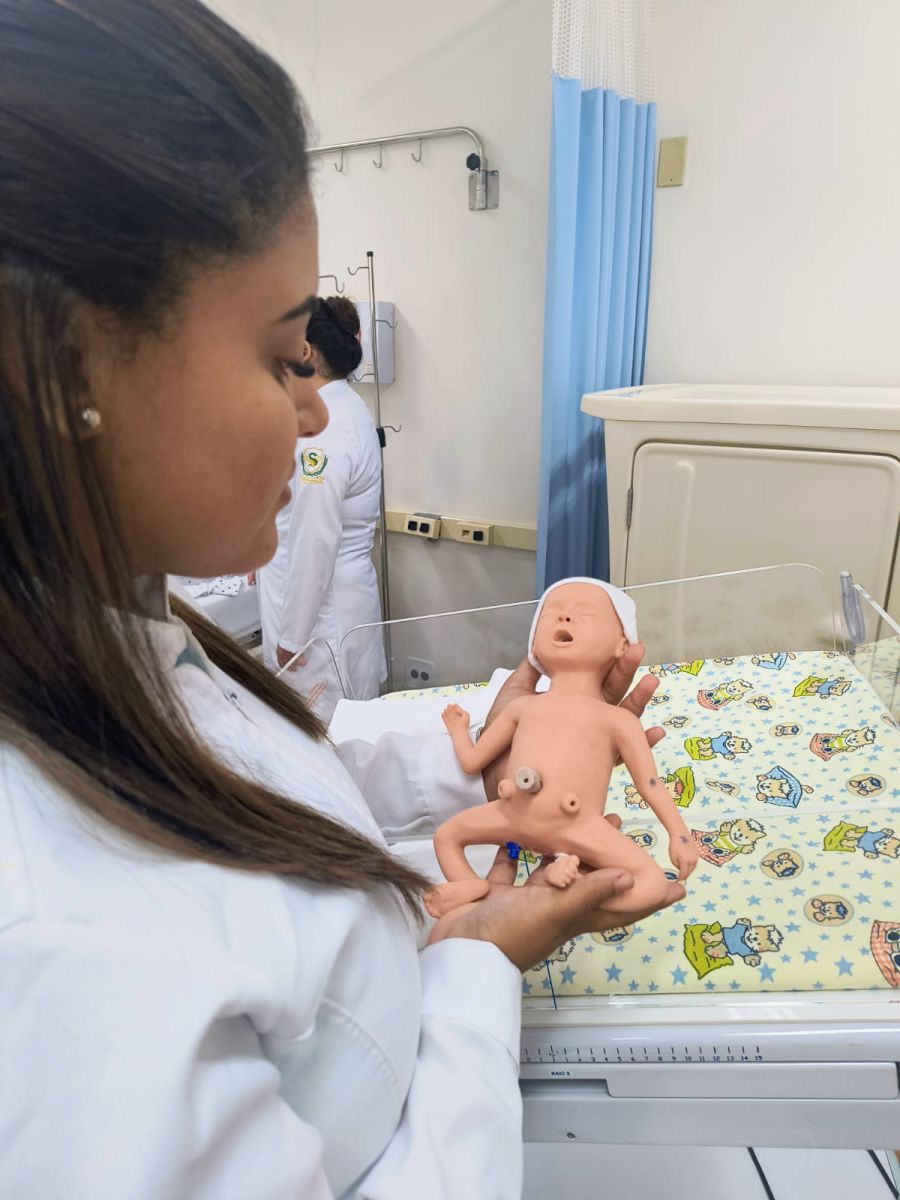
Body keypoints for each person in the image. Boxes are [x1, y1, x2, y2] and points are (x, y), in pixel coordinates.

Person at [0, 2, 681, 1196]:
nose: (309, 410)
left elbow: (252, 769)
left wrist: (483, 756)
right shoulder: (63, 959)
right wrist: (478, 968)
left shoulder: (114, 631)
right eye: (280, 360)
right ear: (63, 372)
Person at [257, 296, 386, 718]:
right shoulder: (345, 408)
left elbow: (315, 540)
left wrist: (292, 638)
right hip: (336, 606)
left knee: (323, 737)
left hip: (320, 623)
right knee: (348, 730)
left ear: (305, 351)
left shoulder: (325, 431)